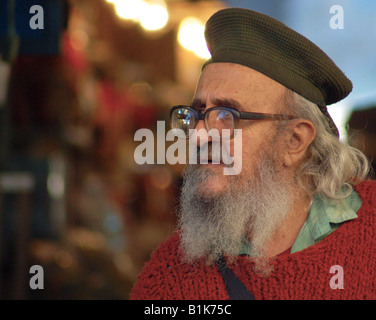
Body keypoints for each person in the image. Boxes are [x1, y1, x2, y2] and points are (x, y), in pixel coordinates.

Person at [130, 7, 376, 300]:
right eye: (196, 114)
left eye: (226, 115)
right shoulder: (168, 279)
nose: (198, 135)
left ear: (294, 140)